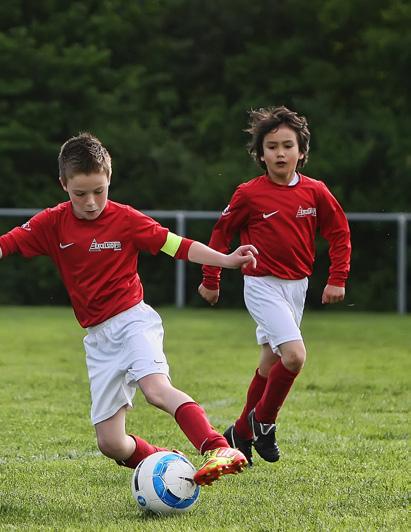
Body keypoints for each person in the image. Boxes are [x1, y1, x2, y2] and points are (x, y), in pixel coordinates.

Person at [0, 132, 258, 486]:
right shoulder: (52, 223)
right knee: (110, 443)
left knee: (155, 389)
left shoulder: (126, 219)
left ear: (109, 179)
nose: (91, 202)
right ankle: (165, 463)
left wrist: (226, 260)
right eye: (80, 194)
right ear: (63, 184)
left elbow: (178, 246)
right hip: (98, 339)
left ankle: (218, 447)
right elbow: (8, 243)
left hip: (134, 320)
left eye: (99, 191)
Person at [199, 106, 351, 466]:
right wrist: (211, 278)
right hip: (261, 284)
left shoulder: (315, 192)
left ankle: (239, 431)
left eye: (287, 145)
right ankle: (264, 422)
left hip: (296, 288)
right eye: (271, 146)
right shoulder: (249, 194)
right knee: (295, 356)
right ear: (260, 154)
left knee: (270, 366)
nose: (280, 153)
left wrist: (337, 278)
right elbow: (221, 235)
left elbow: (339, 232)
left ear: (302, 151)